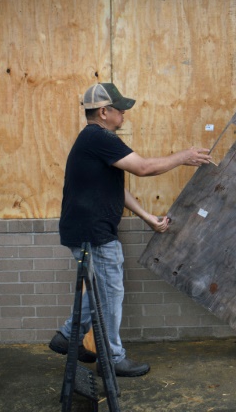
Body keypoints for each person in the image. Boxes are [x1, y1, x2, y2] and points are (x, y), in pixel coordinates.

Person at [49, 82, 211, 377]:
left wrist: (147, 217)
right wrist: (184, 156)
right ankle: (111, 357)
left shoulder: (94, 141)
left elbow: (117, 190)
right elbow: (144, 168)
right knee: (111, 291)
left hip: (86, 229)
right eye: (119, 109)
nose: (124, 114)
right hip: (94, 232)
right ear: (103, 111)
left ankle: (67, 336)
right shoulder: (99, 137)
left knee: (102, 290)